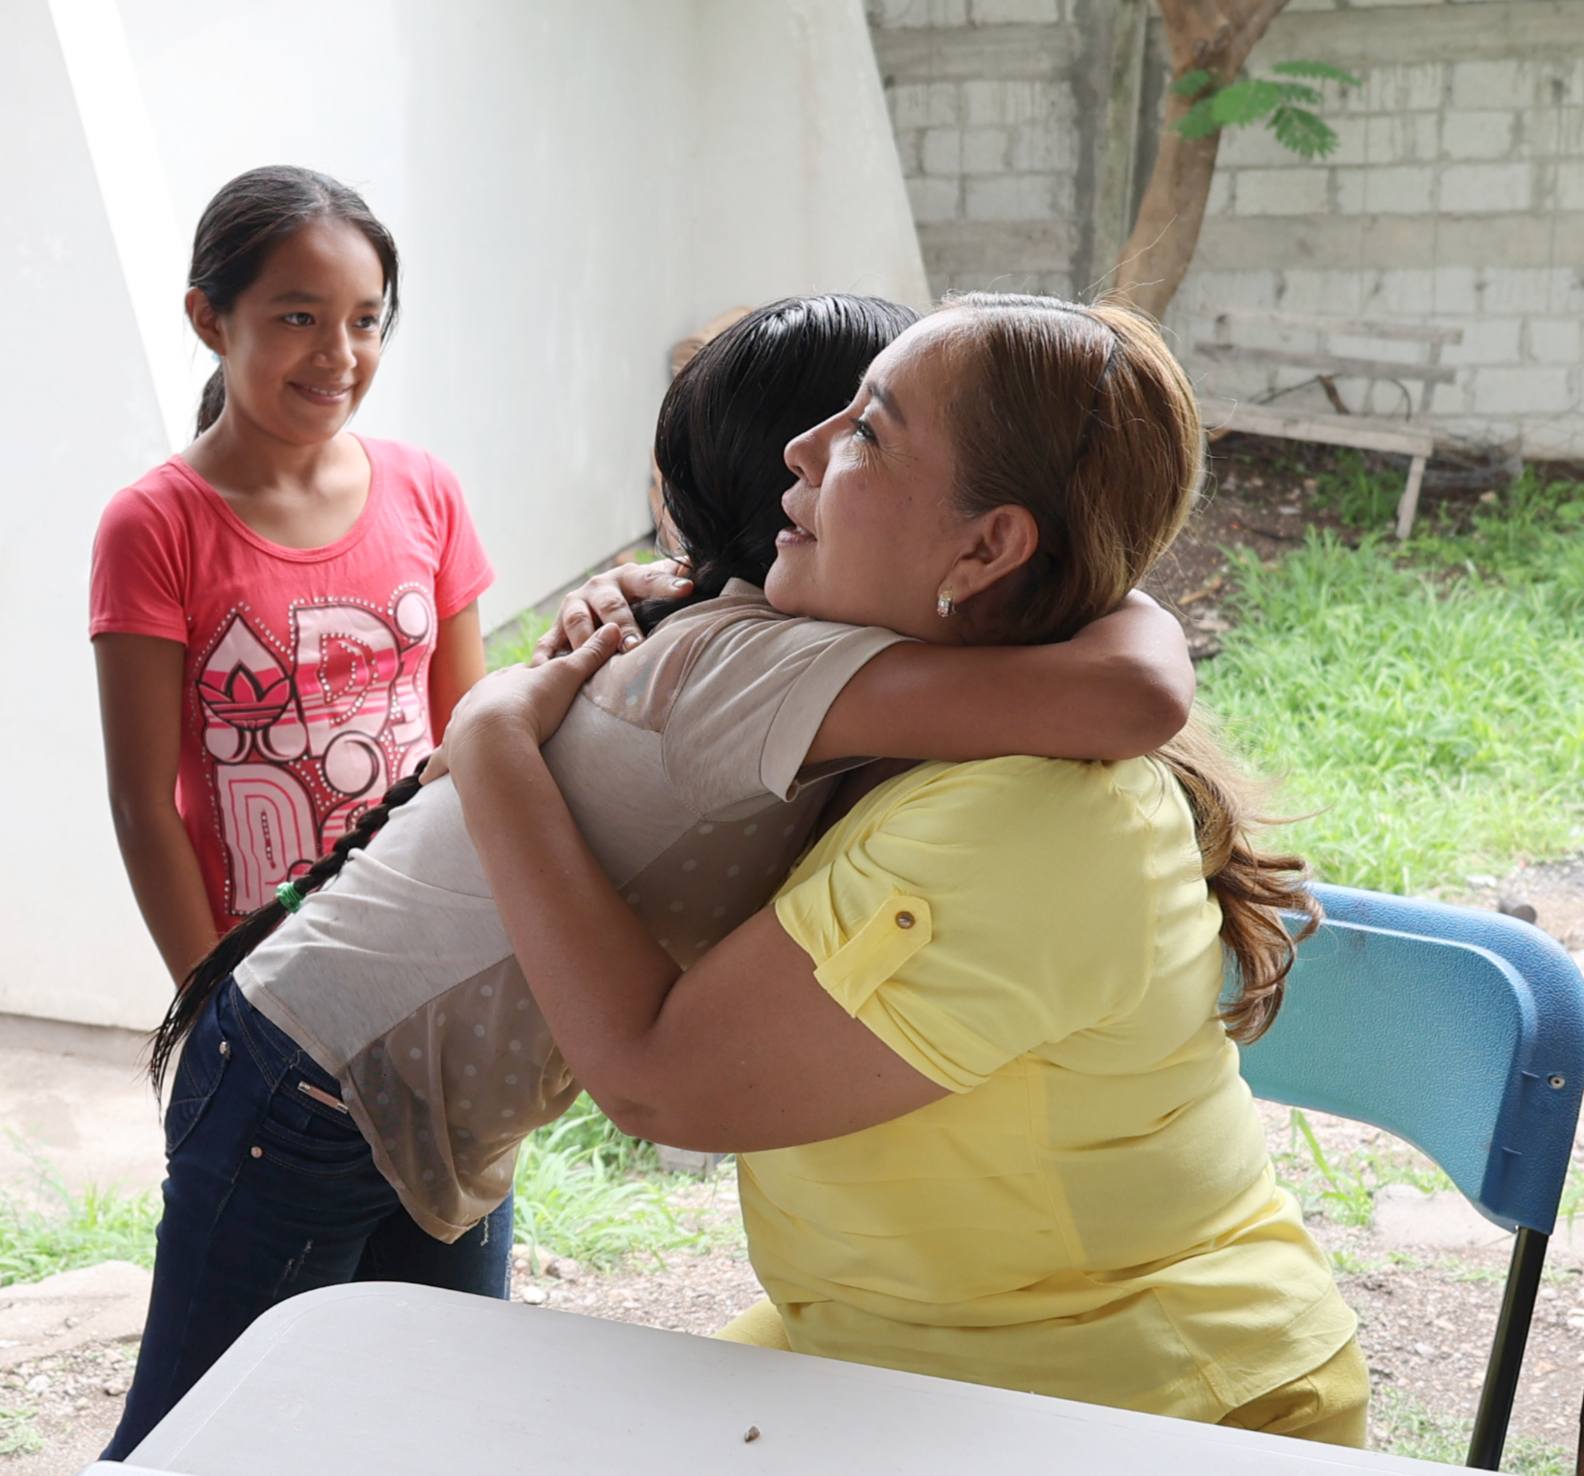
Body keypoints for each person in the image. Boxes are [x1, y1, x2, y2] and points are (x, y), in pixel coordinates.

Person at [102, 292, 1194, 1459]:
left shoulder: (754, 642)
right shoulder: (765, 665)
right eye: (831, 425)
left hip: (407, 1088)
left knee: (417, 1429)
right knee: (201, 1439)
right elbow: (1136, 689)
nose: (810, 453)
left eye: (869, 432)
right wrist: (1082, 549)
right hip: (308, 1076)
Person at [435, 294, 1370, 1446]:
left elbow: (656, 1081)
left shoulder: (1032, 823)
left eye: (868, 431)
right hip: (894, 1353)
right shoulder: (926, 692)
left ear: (987, 549)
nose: (804, 448)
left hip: (1126, 1398)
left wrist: (489, 747)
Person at [90, 165, 492, 982]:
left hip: (427, 939)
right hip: (264, 977)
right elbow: (141, 804)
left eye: (367, 320)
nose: (338, 356)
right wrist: (210, 1005)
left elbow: (466, 741)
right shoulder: (153, 526)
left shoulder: (428, 491)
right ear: (210, 318)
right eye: (299, 316)